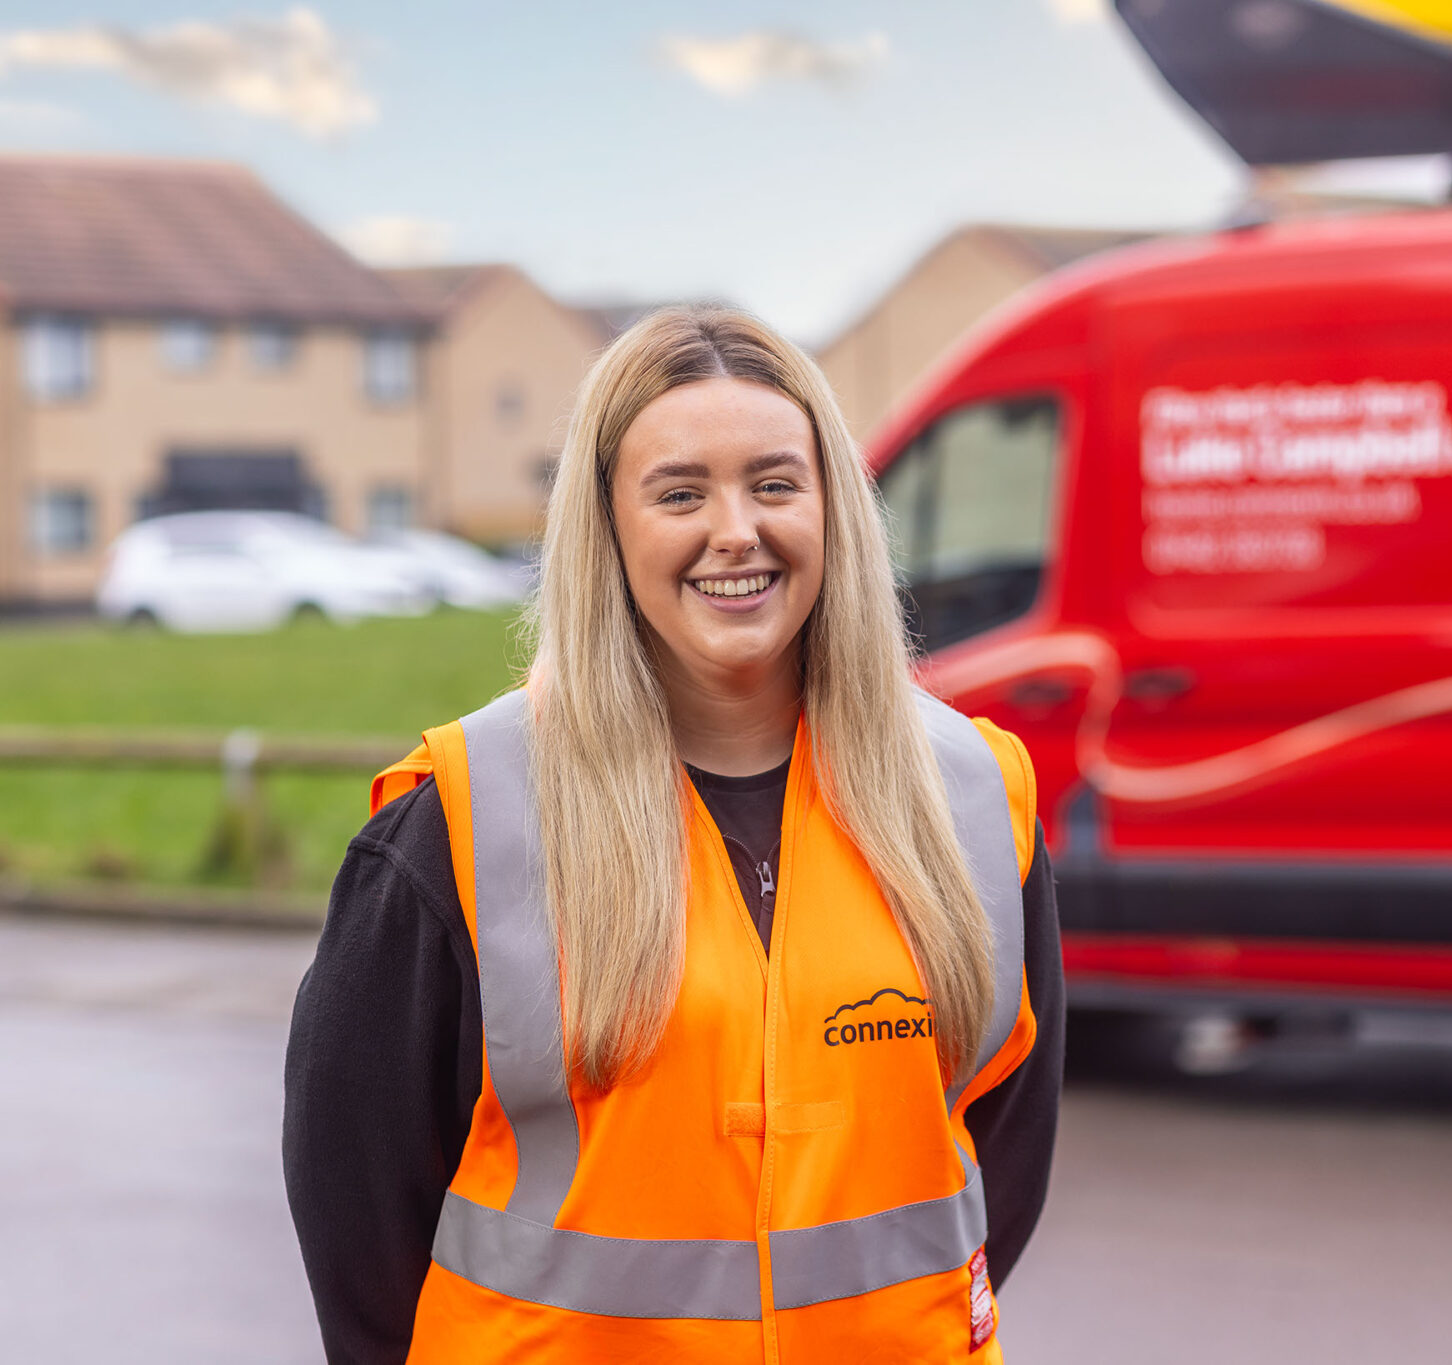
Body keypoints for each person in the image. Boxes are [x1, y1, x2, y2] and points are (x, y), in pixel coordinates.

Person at [283, 305, 1063, 1363]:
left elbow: (992, 1172)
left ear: (833, 506)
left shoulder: (973, 797)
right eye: (680, 492)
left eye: (775, 484)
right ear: (607, 529)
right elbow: (358, 1216)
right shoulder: (461, 825)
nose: (735, 530)